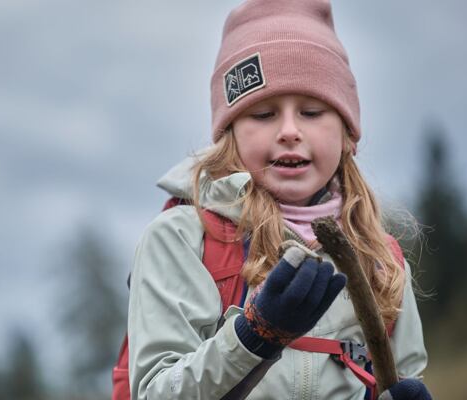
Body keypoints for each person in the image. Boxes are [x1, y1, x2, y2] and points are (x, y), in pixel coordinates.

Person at [126, 0, 432, 398]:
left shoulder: (381, 262)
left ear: (347, 134)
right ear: (230, 133)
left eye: (311, 111)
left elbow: (407, 374)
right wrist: (253, 337)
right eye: (263, 114)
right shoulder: (183, 239)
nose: (289, 130)